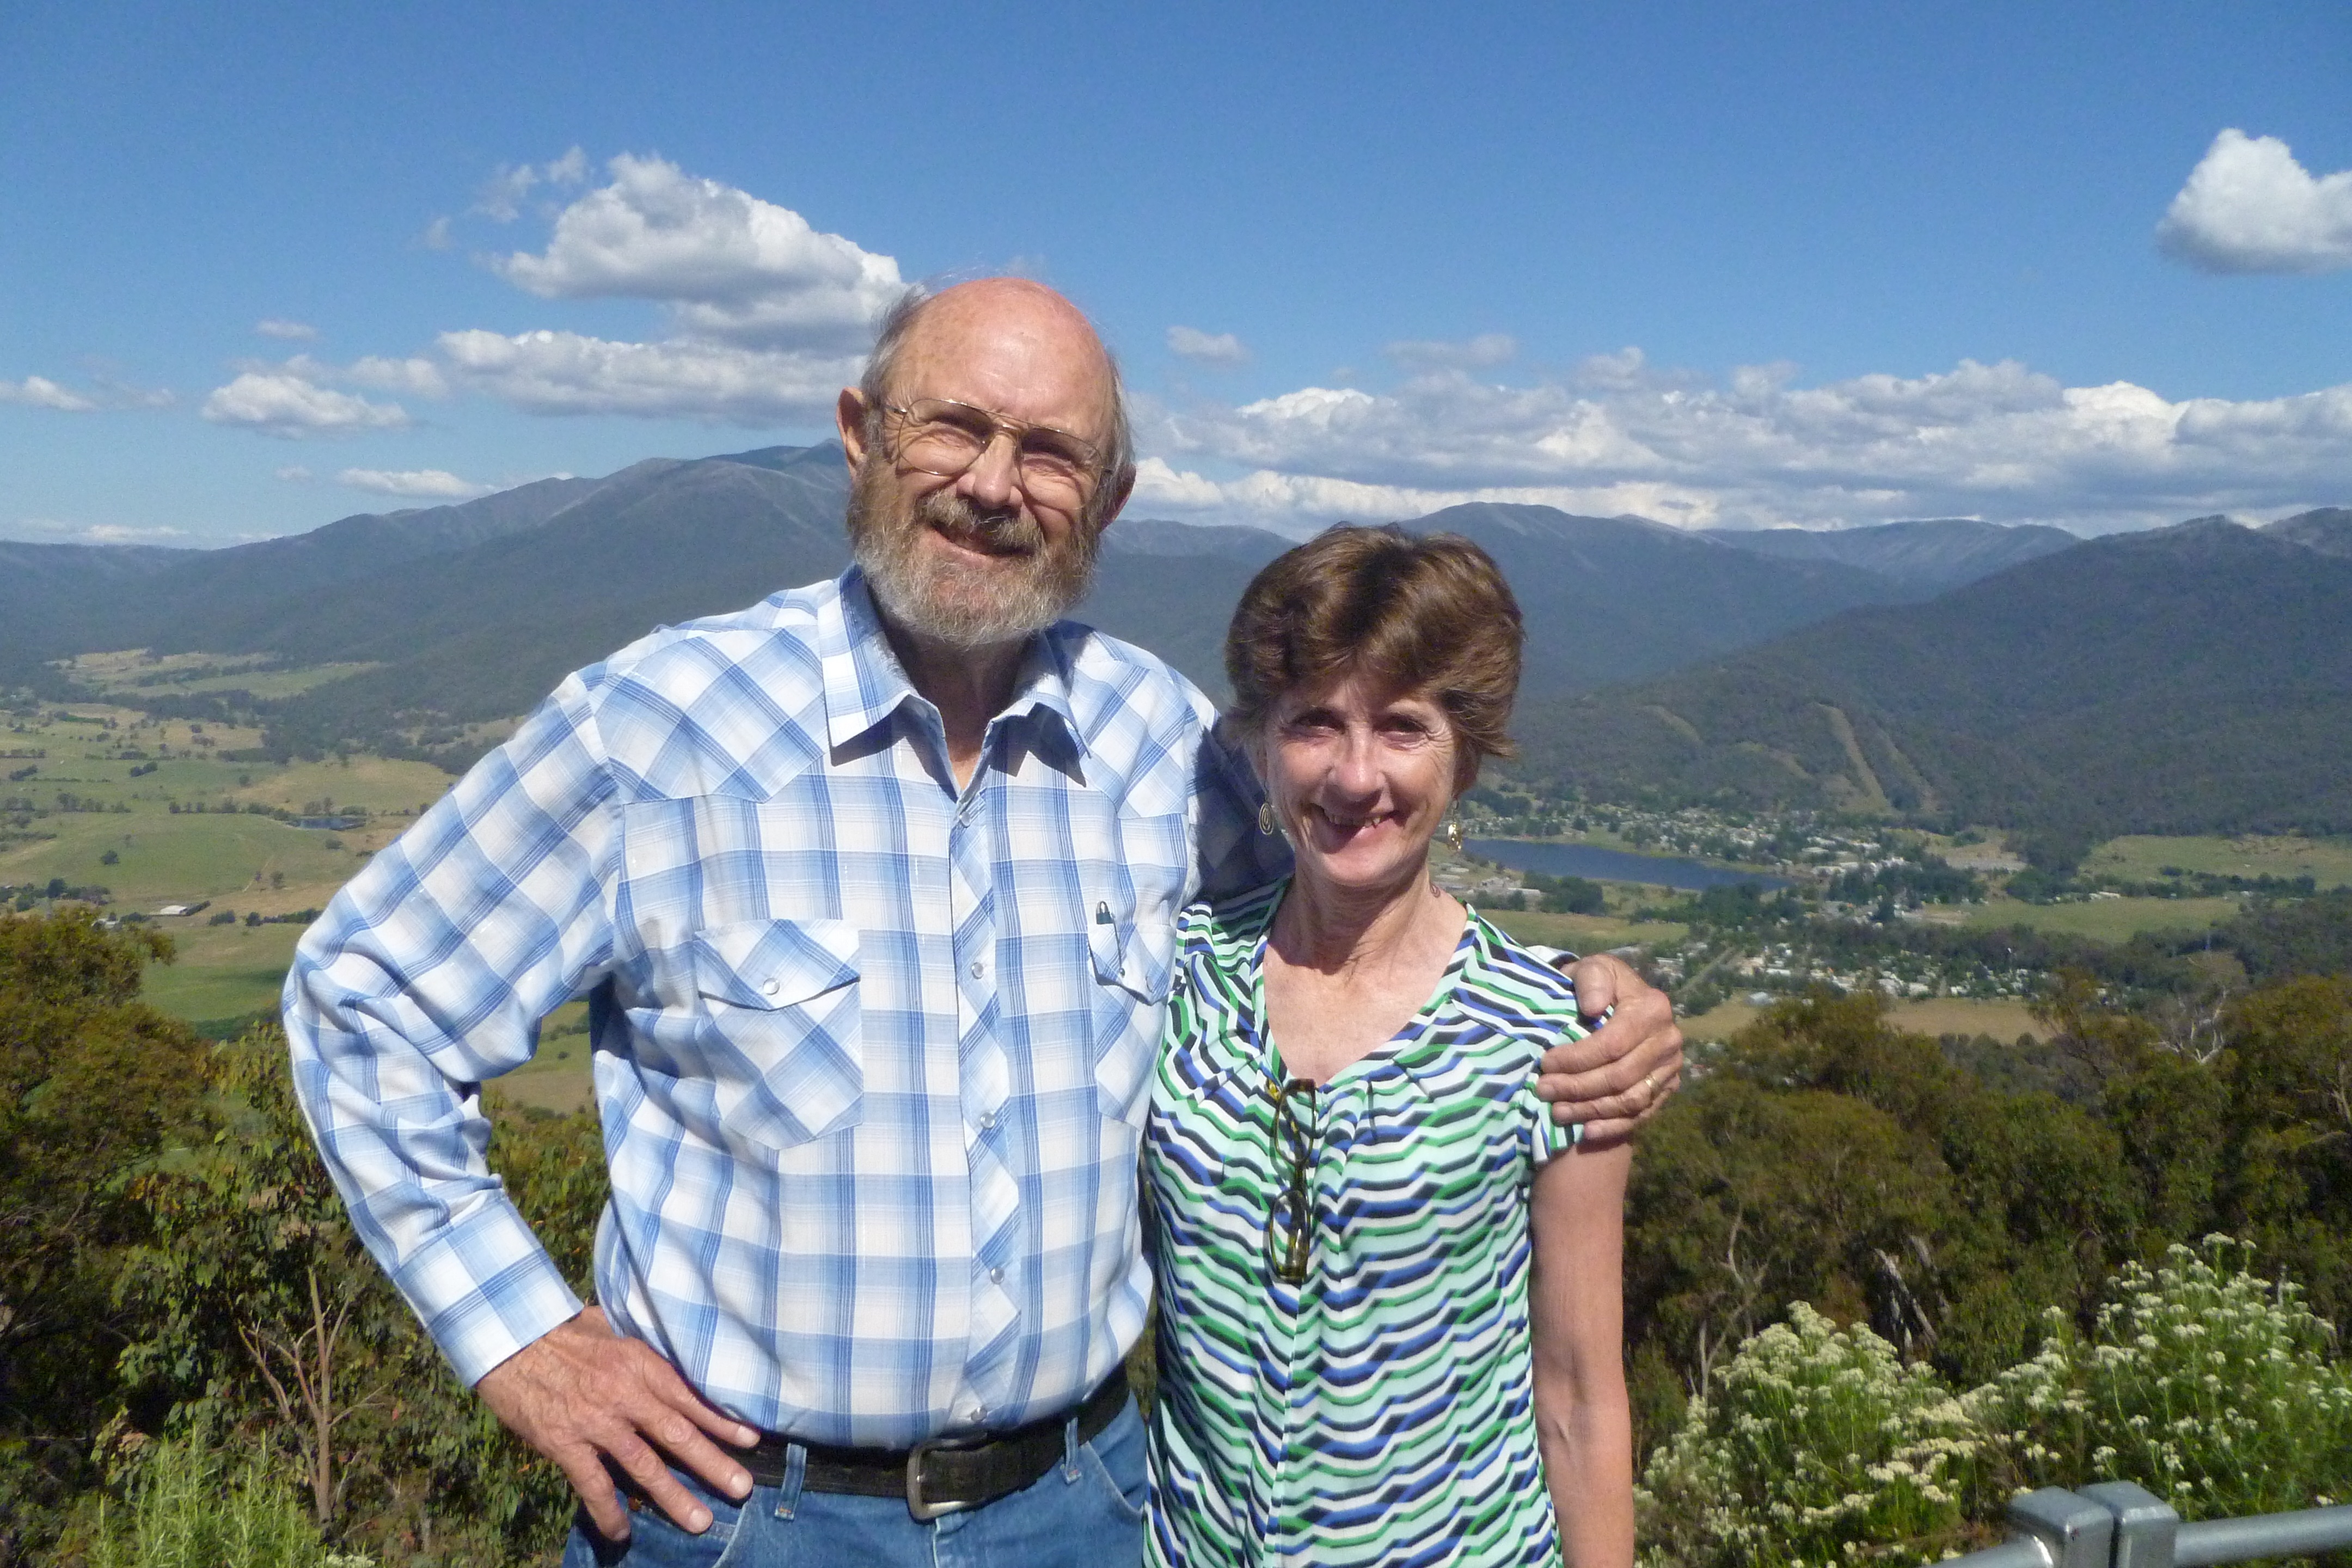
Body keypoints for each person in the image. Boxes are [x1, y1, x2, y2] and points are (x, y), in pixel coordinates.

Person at [283, 277, 1679, 1568]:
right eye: (952, 427)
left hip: (1085, 1508)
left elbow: (1354, 895)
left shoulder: (1161, 745)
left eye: (1051, 452)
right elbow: (366, 1001)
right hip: (743, 1521)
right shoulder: (661, 729)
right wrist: (522, 1339)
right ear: (857, 435)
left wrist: (1585, 991)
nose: (993, 485)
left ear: (1111, 499)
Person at [1144, 526, 1633, 1566]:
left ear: (1465, 758)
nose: (1356, 777)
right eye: (1316, 723)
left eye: (1403, 728)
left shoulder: (1549, 1038)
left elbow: (1582, 1397)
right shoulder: (1176, 980)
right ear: (1262, 744)